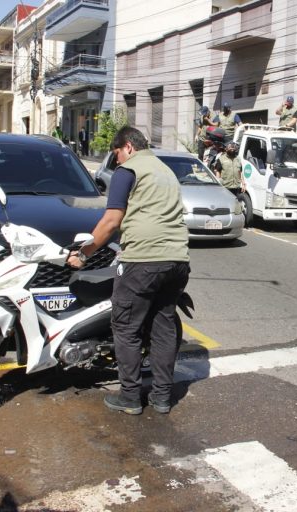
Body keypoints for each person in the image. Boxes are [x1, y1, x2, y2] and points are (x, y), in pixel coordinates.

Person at [67, 126, 190, 415]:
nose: (117, 161)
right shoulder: (165, 171)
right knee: (163, 327)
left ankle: (130, 396)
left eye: (117, 154)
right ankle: (161, 397)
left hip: (143, 260)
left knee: (125, 326)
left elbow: (111, 220)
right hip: (177, 260)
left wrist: (83, 254)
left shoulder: (128, 170)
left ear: (128, 147)